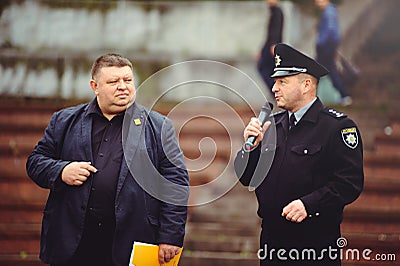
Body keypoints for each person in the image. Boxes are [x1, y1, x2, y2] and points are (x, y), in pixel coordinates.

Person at [26, 53, 189, 266]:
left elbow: (175, 182)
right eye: (113, 81)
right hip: (74, 241)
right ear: (95, 86)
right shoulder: (64, 120)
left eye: (128, 80)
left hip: (132, 241)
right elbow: (35, 161)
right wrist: (61, 171)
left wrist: (170, 236)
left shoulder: (159, 126)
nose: (123, 86)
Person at [234, 43, 364, 265]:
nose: (274, 88)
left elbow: (349, 183)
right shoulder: (272, 125)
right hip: (272, 243)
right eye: (275, 82)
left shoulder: (336, 127)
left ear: (306, 85)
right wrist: (251, 148)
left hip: (313, 244)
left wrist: (309, 204)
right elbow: (247, 178)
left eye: (282, 82)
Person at [315, 0, 352, 106]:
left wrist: (322, 44)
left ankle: (310, 99)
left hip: (326, 47)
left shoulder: (329, 12)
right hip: (328, 47)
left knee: (314, 71)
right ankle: (344, 95)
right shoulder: (330, 11)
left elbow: (330, 31)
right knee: (330, 71)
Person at [257, 0, 284, 97]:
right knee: (271, 70)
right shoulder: (273, 11)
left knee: (264, 67)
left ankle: (277, 93)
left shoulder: (277, 12)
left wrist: (274, 44)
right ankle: (277, 94)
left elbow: (276, 30)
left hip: (272, 46)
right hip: (269, 45)